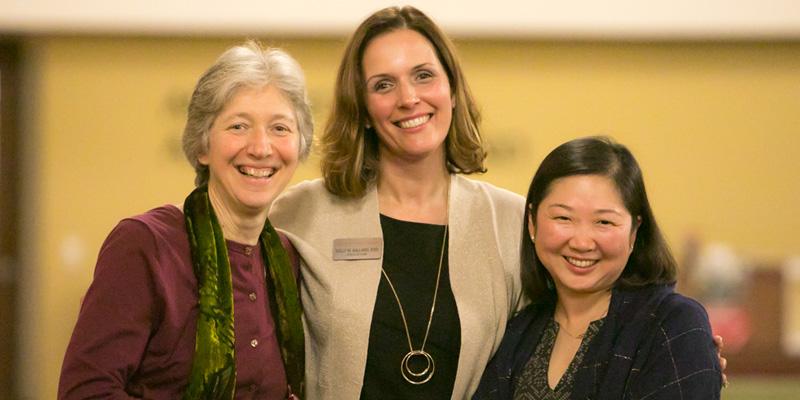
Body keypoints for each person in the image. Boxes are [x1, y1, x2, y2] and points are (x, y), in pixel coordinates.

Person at [269, 6, 526, 399]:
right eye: (383, 85)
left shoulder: (512, 222)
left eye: (424, 76)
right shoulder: (300, 213)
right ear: (364, 111)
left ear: (452, 90)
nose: (409, 98)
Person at [58, 40, 312, 399]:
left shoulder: (286, 259)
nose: (261, 147)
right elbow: (86, 392)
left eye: (280, 129)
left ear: (300, 146)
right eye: (239, 126)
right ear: (202, 146)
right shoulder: (146, 245)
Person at [473, 136, 722, 399]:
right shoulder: (516, 331)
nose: (581, 242)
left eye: (604, 222)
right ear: (532, 223)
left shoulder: (671, 324)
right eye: (563, 218)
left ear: (634, 232)